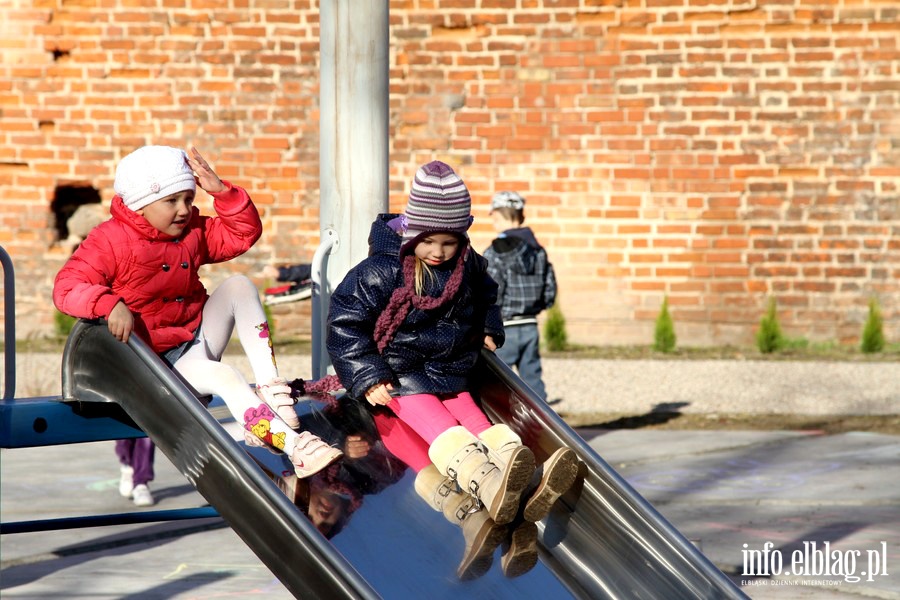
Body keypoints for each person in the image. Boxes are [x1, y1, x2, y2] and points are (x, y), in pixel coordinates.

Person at [53, 145, 342, 483]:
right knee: (226, 376)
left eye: (189, 199)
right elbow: (66, 287)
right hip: (159, 366)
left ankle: (271, 390)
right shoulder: (110, 240)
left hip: (193, 337)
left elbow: (241, 234)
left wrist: (223, 193)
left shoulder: (191, 230)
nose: (184, 210)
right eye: (171, 201)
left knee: (239, 285)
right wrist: (108, 303)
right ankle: (296, 449)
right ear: (140, 203)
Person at [326, 160, 576, 530]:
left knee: (479, 423)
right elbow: (345, 323)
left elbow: (486, 294)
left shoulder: (467, 264)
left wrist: (488, 327)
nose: (439, 252)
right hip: (399, 375)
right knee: (447, 431)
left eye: (449, 242)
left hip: (451, 370)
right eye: (429, 242)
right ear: (412, 235)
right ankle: (490, 487)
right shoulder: (381, 270)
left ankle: (519, 476)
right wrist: (368, 376)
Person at [483, 191, 557, 402]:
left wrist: (488, 320)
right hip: (530, 325)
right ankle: (544, 424)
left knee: (497, 380)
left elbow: (491, 291)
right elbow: (550, 288)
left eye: (494, 218)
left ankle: (501, 422)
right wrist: (540, 305)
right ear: (521, 217)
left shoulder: (495, 252)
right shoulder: (538, 250)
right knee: (532, 378)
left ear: (498, 216)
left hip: (504, 327)